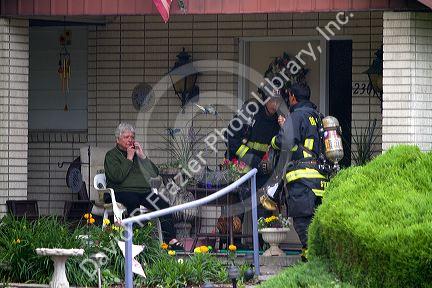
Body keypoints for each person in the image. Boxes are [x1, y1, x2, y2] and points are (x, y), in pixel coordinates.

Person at [271, 83, 328, 260]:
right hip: (321, 183)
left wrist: (276, 137)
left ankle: (313, 265)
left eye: (288, 97)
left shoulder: (297, 116)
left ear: (293, 97)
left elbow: (282, 141)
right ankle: (310, 261)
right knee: (317, 228)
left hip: (302, 183)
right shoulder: (319, 116)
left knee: (304, 228)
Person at [104, 122, 181, 249]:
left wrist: (142, 156)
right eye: (126, 137)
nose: (130, 140)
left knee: (163, 204)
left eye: (132, 137)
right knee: (132, 201)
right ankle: (139, 240)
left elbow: (154, 173)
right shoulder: (111, 155)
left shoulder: (137, 155)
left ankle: (171, 241)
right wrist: (129, 158)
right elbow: (117, 177)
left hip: (143, 192)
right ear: (118, 139)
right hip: (121, 192)